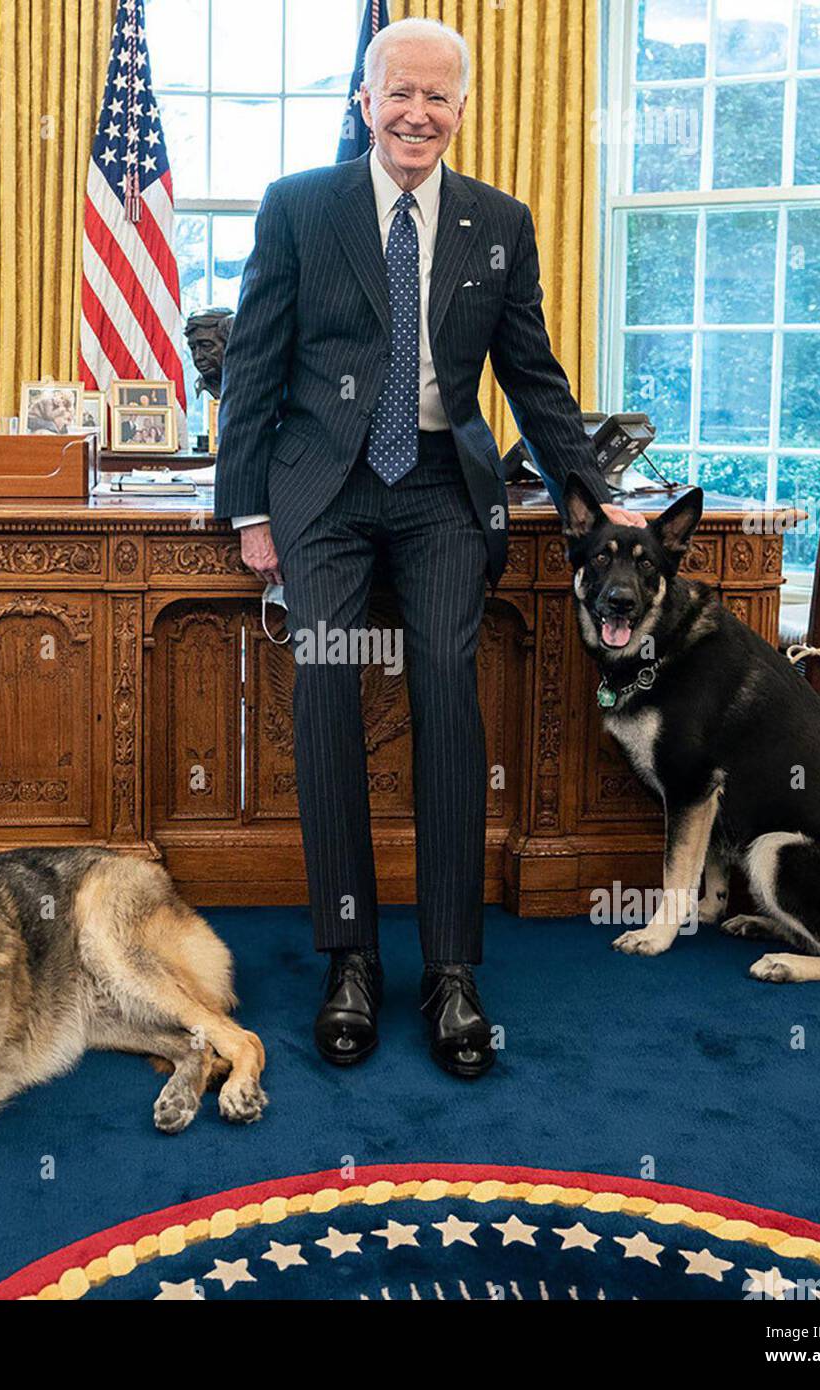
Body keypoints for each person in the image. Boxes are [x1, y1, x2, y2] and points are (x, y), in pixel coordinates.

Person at [214, 17, 644, 1079]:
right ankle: (350, 955)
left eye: (437, 97)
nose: (417, 113)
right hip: (322, 490)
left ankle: (451, 967)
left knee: (448, 682)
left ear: (460, 109)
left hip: (445, 492)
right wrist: (248, 511)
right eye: (397, 92)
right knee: (324, 685)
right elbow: (255, 366)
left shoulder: (497, 221)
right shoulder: (299, 208)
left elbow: (531, 377)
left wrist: (592, 490)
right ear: (365, 100)